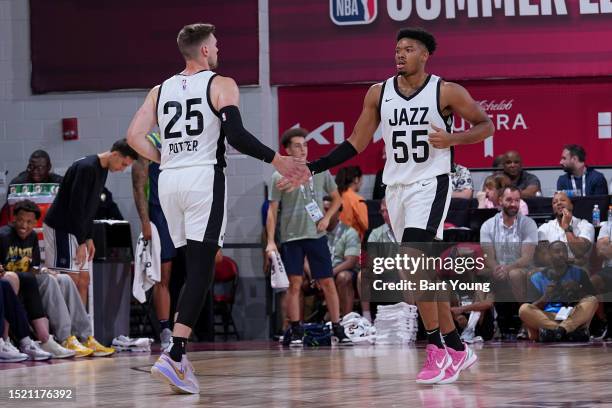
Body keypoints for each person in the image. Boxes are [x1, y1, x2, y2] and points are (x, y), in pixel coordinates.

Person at [291, 27, 494, 384]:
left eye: (409, 49)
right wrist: (314, 166)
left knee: (415, 264)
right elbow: (356, 141)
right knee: (421, 274)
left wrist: (452, 138)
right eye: (397, 49)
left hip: (431, 183)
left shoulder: (445, 90)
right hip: (397, 188)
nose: (400, 54)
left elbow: (485, 125)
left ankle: (436, 351)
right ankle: (458, 349)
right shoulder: (378, 92)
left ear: (425, 55)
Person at [126, 23, 308, 394]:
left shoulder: (159, 90)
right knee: (201, 269)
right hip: (203, 178)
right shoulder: (220, 83)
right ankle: (175, 354)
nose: (219, 48)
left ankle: (176, 347)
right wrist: (277, 159)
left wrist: (163, 156)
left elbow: (133, 138)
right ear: (205, 51)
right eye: (216, 44)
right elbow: (236, 135)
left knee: (191, 268)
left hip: (169, 179)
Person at [266, 128, 350, 347]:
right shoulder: (278, 175)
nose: (302, 149)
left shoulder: (319, 171)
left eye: (304, 145)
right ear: (286, 149)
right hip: (292, 237)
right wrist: (271, 241)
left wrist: (327, 217)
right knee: (294, 284)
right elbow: (272, 210)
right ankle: (295, 328)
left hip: (316, 234)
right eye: (297, 145)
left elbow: (337, 199)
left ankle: (337, 326)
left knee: (327, 281)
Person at [43, 139, 138, 307]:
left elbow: (91, 207)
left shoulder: (102, 169)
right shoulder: (87, 168)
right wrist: (81, 241)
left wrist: (89, 237)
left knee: (84, 280)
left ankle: (80, 330)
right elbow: (76, 207)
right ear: (115, 154)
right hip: (61, 227)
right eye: (123, 164)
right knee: (69, 280)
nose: (122, 169)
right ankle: (65, 330)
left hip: (77, 229)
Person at [132, 131, 176, 349]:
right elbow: (138, 185)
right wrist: (145, 221)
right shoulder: (150, 141)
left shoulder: (190, 138)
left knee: (199, 271)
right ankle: (165, 328)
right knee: (163, 276)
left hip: (186, 212)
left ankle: (183, 322)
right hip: (160, 214)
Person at [479, 186, 538, 338]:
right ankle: (478, 328)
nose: (513, 204)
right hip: (497, 268)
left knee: (515, 274)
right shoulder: (487, 225)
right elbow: (488, 257)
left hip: (524, 269)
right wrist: (497, 268)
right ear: (500, 201)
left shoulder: (528, 224)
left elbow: (527, 257)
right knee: (480, 272)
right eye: (509, 200)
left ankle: (526, 321)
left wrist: (507, 268)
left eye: (517, 200)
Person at [519, 241, 597, 342]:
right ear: (549, 255)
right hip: (547, 316)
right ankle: (567, 332)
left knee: (592, 300)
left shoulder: (579, 273)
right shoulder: (536, 278)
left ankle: (556, 332)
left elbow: (592, 300)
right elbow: (532, 307)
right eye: (557, 251)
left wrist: (578, 290)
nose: (561, 254)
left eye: (564, 251)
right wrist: (546, 297)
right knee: (523, 309)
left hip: (572, 315)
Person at [322, 195, 361, 317]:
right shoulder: (315, 232)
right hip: (318, 273)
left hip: (339, 271)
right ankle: (298, 328)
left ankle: (345, 321)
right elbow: (305, 257)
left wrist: (328, 273)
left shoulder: (349, 232)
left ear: (338, 212)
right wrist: (314, 273)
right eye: (323, 209)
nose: (325, 213)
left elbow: (351, 261)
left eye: (328, 210)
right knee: (297, 279)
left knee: (344, 277)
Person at [361, 197, 397, 322]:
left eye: (388, 210)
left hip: (405, 270)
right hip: (383, 270)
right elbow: (372, 260)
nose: (385, 214)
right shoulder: (376, 233)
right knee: (364, 274)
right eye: (382, 211)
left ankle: (410, 315)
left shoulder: (408, 230)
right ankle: (366, 318)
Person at [537, 192, 594, 269]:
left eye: (562, 200)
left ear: (571, 205)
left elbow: (579, 251)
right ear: (553, 209)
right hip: (552, 270)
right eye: (555, 202)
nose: (559, 203)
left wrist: (566, 226)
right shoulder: (544, 228)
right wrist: (572, 261)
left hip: (578, 271)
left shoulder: (585, 226)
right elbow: (543, 257)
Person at [335, 166, 369, 240]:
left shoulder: (335, 196)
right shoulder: (358, 200)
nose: (362, 183)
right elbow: (365, 225)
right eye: (361, 179)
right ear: (356, 179)